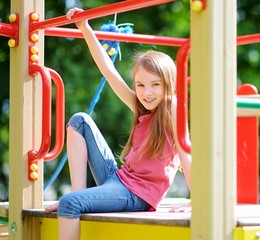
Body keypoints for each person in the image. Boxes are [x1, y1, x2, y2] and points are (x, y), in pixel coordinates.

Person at [45, 7, 191, 240]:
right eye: (141, 85)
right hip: (118, 180)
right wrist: (85, 28)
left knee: (70, 205)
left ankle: (76, 200)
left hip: (139, 195)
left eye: (155, 85)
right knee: (79, 121)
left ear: (168, 85)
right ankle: (79, 193)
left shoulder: (171, 108)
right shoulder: (141, 105)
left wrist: (197, 203)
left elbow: (186, 154)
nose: (147, 92)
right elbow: (108, 70)